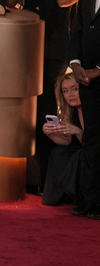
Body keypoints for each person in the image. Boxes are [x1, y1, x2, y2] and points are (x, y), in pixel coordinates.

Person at [5, 0, 86, 193]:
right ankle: (25, 174)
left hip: (54, 48)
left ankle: (47, 179)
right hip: (25, 46)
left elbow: (64, 1)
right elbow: (11, 0)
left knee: (46, 106)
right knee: (22, 109)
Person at [69, 0, 100, 220]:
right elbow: (79, 25)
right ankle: (89, 202)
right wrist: (76, 63)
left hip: (98, 73)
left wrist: (99, 69)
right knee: (92, 137)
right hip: (86, 76)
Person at [41, 73, 85, 206]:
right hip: (80, 147)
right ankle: (58, 197)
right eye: (65, 91)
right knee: (58, 152)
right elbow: (66, 141)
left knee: (79, 155)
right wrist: (50, 132)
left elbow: (93, 144)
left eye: (74, 89)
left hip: (93, 149)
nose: (70, 94)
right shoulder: (69, 110)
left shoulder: (93, 109)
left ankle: (79, 197)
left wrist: (77, 131)